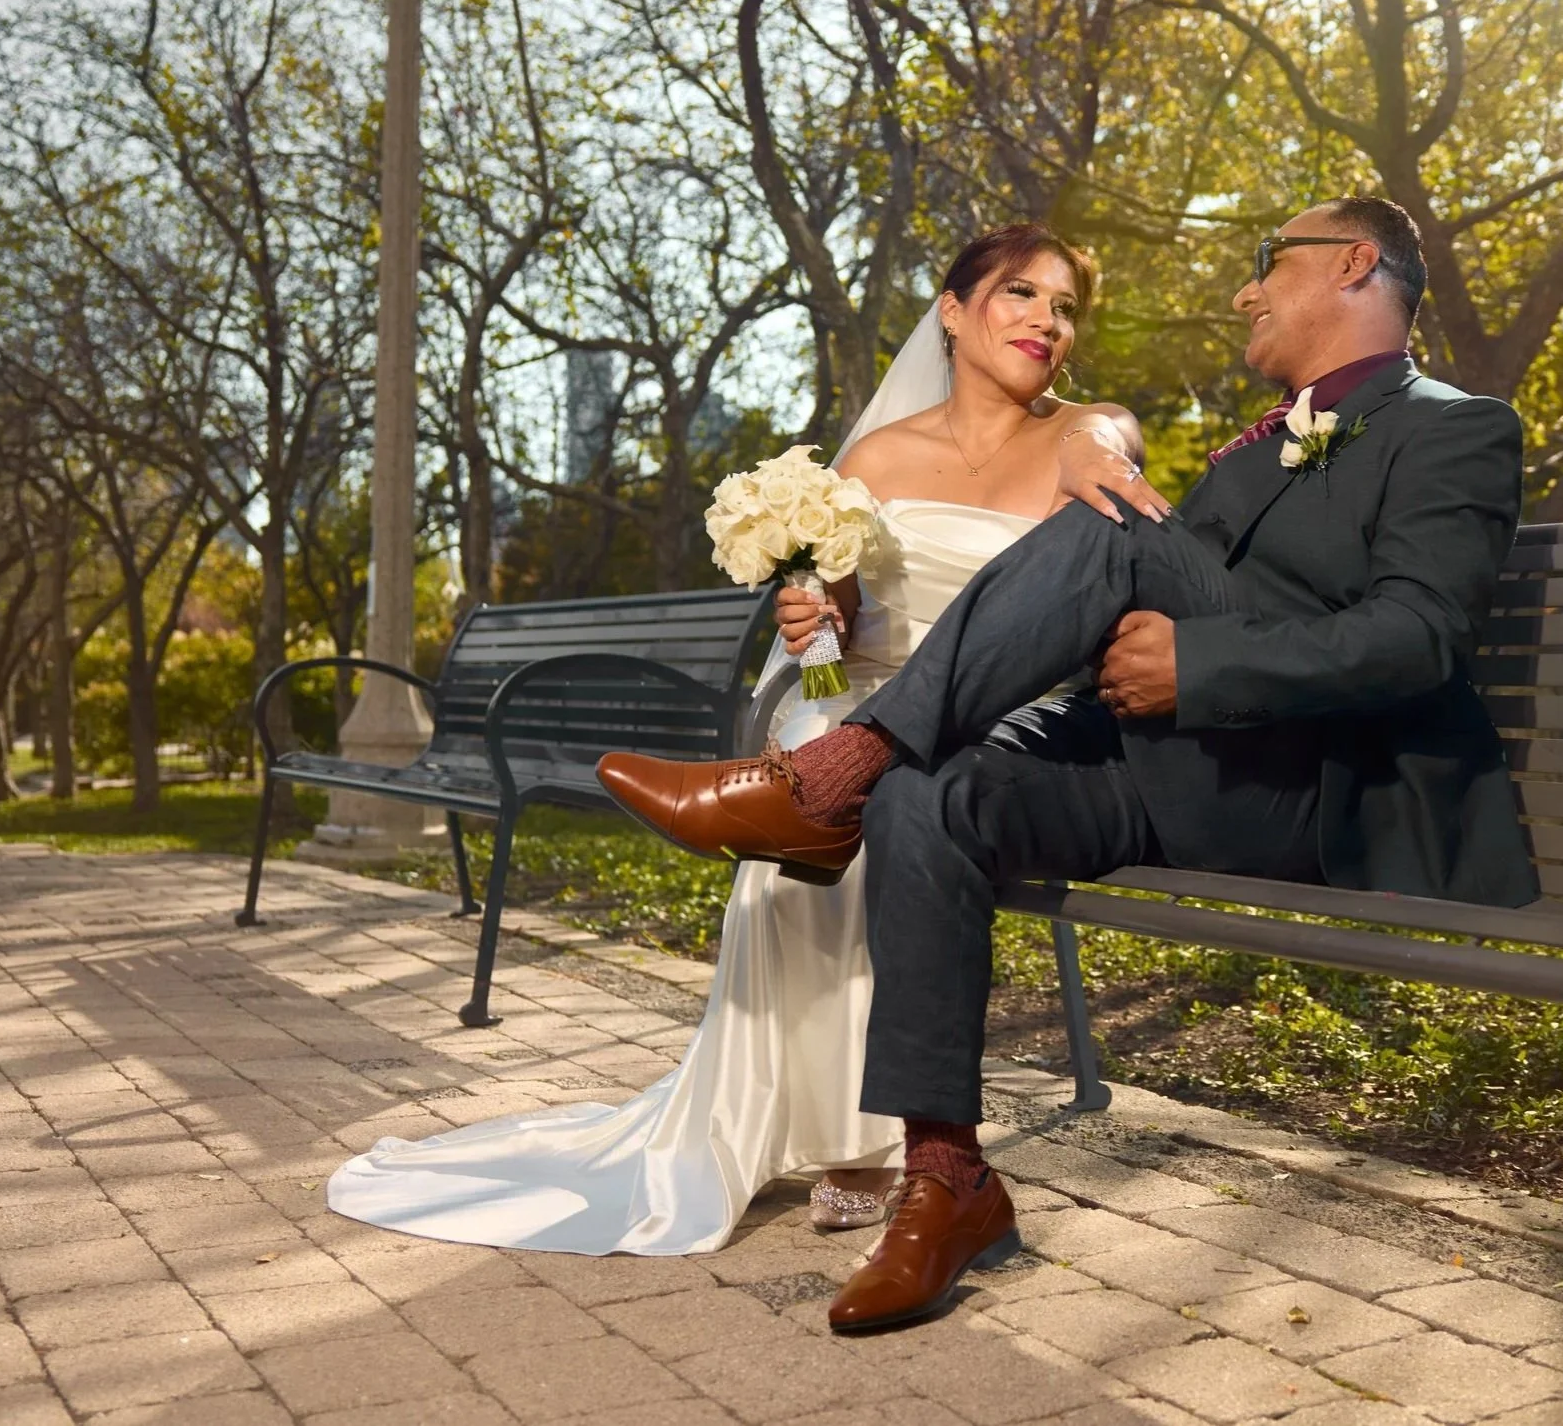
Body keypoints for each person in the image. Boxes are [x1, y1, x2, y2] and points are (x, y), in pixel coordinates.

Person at [598, 195, 1540, 1325]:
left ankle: (825, 778)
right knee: (927, 793)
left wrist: (1197, 662)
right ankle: (948, 1179)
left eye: (1262, 263)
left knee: (1104, 519)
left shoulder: (1453, 425)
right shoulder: (1255, 444)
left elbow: (1417, 634)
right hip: (1164, 766)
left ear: (1350, 263)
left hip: (1309, 784)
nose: (1244, 290)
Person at [327, 221, 1149, 1254]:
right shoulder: (882, 453)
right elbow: (836, 607)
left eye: (1063, 305)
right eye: (1019, 293)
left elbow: (1108, 466)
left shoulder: (1089, 428)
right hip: (867, 699)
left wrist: (1087, 438)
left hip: (1004, 725)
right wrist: (813, 612)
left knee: (854, 789)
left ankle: (882, 1124)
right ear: (951, 306)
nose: (1045, 320)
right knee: (819, 767)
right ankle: (846, 1134)